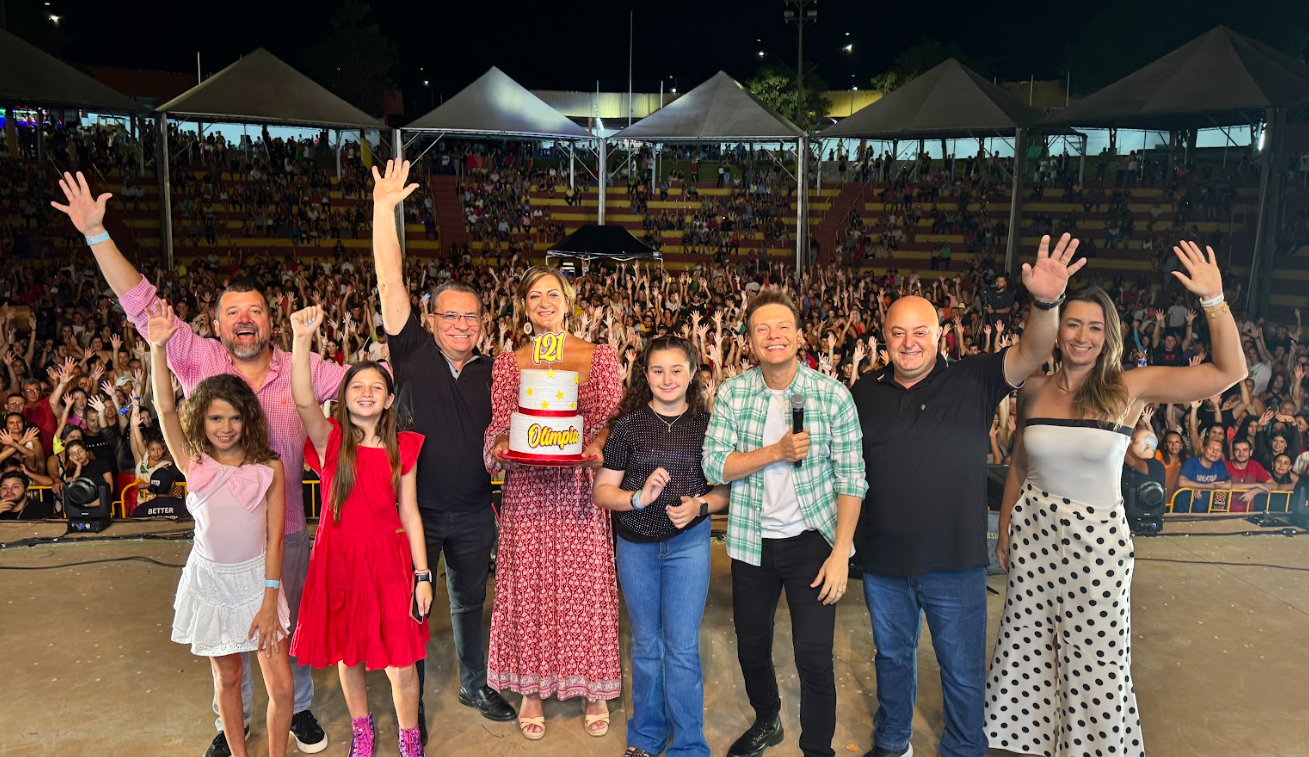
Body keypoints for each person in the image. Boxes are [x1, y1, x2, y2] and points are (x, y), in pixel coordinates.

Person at [52, 170, 340, 757]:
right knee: (231, 646)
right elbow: (141, 305)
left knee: (288, 632)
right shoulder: (201, 360)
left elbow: (368, 392)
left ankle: (301, 709)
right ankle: (231, 722)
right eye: (233, 311)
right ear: (216, 324)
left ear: (271, 317)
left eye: (255, 310)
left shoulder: (303, 369)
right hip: (227, 543)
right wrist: (96, 234)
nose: (244, 319)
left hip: (285, 534)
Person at [989, 240, 1246, 757]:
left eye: (1094, 327)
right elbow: (1019, 461)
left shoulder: (1131, 387)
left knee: (1096, 661)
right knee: (1028, 648)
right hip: (1034, 537)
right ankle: (1029, 744)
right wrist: (1005, 527)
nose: (1082, 336)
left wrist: (1214, 300)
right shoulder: (1033, 390)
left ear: (1110, 335)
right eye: (1072, 324)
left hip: (1098, 548)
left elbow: (1228, 372)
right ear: (1057, 330)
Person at [851, 234, 1084, 757]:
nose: (909, 342)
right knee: (891, 659)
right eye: (897, 332)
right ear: (884, 337)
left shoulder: (973, 378)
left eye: (920, 332)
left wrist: (1046, 303)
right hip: (884, 562)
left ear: (940, 335)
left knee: (960, 670)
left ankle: (962, 749)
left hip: (955, 563)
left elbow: (1034, 350)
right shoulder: (863, 393)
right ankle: (893, 744)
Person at [369, 160, 515, 741]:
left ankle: (474, 682)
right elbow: (388, 279)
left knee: (469, 601)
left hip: (477, 509)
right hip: (416, 511)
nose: (460, 323)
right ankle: (414, 701)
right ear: (427, 320)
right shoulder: (410, 352)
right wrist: (385, 212)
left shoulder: (494, 370)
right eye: (448, 314)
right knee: (415, 607)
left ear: (483, 322)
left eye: (470, 315)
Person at [701, 287, 867, 757]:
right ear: (750, 341)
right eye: (762, 330)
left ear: (798, 336)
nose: (773, 336)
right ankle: (768, 719)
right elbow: (715, 466)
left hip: (813, 542)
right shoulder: (734, 393)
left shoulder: (832, 396)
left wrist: (841, 554)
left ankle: (818, 748)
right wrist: (776, 451)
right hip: (752, 540)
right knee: (751, 647)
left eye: (782, 327)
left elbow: (852, 479)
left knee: (813, 656)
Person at [146, 302, 295, 757]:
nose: (226, 427)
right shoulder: (193, 462)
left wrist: (271, 598)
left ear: (248, 418)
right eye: (215, 418)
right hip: (210, 582)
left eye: (234, 417)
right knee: (226, 678)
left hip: (258, 581)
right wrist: (157, 348)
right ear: (202, 421)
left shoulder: (268, 467)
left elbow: (273, 538)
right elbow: (164, 406)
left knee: (282, 686)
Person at [287, 305, 431, 757]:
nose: (366, 392)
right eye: (357, 385)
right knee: (350, 656)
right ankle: (362, 732)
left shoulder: (403, 447)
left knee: (402, 665)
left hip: (390, 564)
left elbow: (409, 513)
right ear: (344, 396)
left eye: (376, 387)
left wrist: (423, 575)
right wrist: (302, 339)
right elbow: (304, 399)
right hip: (339, 563)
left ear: (390, 399)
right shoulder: (330, 441)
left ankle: (410, 740)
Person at [485, 266, 620, 740]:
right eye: (534, 296)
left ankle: (593, 688)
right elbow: (501, 424)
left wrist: (596, 445)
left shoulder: (598, 357)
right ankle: (531, 689)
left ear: (569, 300)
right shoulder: (509, 362)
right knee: (531, 588)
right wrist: (501, 444)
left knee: (584, 590)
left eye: (553, 294)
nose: (545, 303)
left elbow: (608, 420)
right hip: (529, 492)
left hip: (581, 489)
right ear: (523, 306)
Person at [593, 336, 730, 757]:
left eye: (676, 370)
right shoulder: (629, 427)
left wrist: (700, 506)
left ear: (693, 375)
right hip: (636, 548)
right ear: (645, 376)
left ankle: (689, 744)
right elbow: (602, 492)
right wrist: (636, 498)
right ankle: (646, 737)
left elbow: (725, 490)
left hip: (688, 546)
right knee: (647, 643)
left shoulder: (708, 427)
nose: (666, 379)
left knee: (683, 645)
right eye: (657, 371)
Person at [1176, 439, 1230, 512]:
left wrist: (1204, 488)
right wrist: (1207, 486)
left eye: (1218, 450)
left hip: (1208, 510)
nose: (1214, 452)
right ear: (1203, 450)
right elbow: (1182, 482)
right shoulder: (1191, 462)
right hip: (1186, 509)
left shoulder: (1219, 464)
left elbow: (1228, 484)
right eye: (1211, 448)